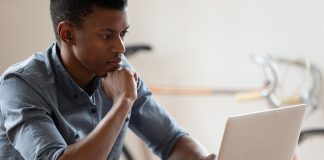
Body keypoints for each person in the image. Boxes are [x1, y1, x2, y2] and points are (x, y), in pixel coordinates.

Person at [0, 0, 216, 160]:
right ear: (67, 33)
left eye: (123, 33)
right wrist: (123, 103)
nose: (120, 48)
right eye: (107, 36)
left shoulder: (120, 70)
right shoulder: (20, 85)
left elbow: (171, 141)